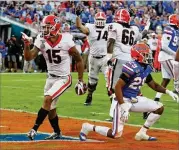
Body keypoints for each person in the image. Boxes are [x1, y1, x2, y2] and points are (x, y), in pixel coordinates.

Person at [79, 43, 178, 141]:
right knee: (115, 134)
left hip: (134, 100)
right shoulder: (132, 67)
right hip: (122, 100)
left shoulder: (146, 67)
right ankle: (88, 127)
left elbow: (154, 85)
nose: (148, 57)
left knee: (159, 108)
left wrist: (168, 91)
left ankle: (142, 133)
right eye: (145, 55)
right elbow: (117, 87)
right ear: (137, 55)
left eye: (148, 54)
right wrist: (123, 105)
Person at [22, 15, 86, 140]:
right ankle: (57, 132)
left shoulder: (66, 40)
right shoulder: (41, 39)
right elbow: (29, 57)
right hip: (50, 78)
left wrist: (80, 80)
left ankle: (33, 129)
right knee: (51, 109)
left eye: (47, 27)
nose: (45, 30)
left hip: (64, 78)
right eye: (44, 27)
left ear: (55, 27)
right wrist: (26, 44)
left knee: (47, 99)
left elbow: (79, 60)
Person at [106, 9, 150, 120]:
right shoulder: (134, 29)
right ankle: (146, 109)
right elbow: (142, 35)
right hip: (131, 61)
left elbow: (110, 41)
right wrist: (147, 27)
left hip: (118, 60)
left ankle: (114, 114)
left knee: (113, 87)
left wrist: (108, 56)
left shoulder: (114, 26)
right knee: (131, 87)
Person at [76, 12, 109, 105]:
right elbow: (79, 27)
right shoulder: (90, 27)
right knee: (92, 80)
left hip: (105, 58)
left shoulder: (109, 27)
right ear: (95, 20)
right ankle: (89, 95)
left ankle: (113, 101)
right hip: (93, 58)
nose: (100, 22)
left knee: (109, 80)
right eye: (98, 20)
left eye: (102, 20)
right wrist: (78, 16)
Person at [154, 14, 179, 102]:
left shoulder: (176, 30)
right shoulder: (169, 29)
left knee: (166, 79)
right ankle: (176, 90)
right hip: (166, 56)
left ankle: (156, 99)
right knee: (177, 77)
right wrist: (175, 53)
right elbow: (164, 46)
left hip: (169, 57)